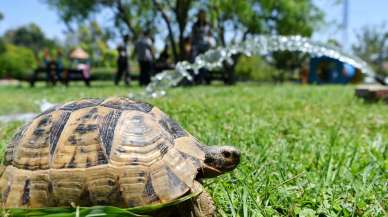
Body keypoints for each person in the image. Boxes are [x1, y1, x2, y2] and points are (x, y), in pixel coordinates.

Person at [191, 10, 214, 84]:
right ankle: (195, 79)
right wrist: (192, 45)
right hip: (196, 46)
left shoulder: (208, 25)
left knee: (205, 62)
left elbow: (210, 35)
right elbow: (192, 36)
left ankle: (202, 79)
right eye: (200, 15)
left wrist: (211, 43)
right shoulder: (195, 25)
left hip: (206, 46)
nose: (201, 16)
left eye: (203, 15)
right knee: (196, 61)